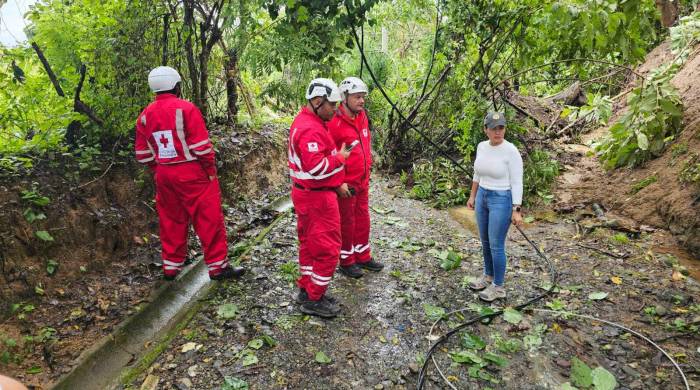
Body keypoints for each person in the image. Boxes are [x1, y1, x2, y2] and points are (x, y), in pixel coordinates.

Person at [135, 66, 245, 281]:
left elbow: (142, 154)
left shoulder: (145, 115)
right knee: (208, 218)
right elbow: (202, 147)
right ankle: (218, 267)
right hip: (192, 171)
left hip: (164, 174)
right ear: (176, 86)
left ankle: (171, 266)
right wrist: (210, 171)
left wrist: (158, 169)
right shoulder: (186, 109)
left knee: (171, 219)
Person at [288, 78, 351, 318]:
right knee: (327, 248)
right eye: (332, 105)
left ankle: (307, 287)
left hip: (308, 195)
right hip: (317, 198)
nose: (335, 109)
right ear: (317, 101)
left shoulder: (309, 121)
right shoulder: (310, 128)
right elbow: (317, 168)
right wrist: (340, 157)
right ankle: (314, 298)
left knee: (309, 245)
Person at [328, 77, 384, 278]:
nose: (361, 101)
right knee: (347, 222)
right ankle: (346, 261)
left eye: (363, 97)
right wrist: (337, 182)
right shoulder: (334, 122)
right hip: (346, 184)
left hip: (362, 181)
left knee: (363, 220)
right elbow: (330, 153)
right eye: (357, 97)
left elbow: (363, 145)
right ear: (344, 98)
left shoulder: (362, 117)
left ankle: (363, 256)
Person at [466, 112, 523, 302]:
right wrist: (473, 196)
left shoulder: (511, 151)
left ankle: (498, 286)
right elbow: (477, 174)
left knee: (497, 244)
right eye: (493, 128)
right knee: (485, 241)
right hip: (483, 194)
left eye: (501, 128)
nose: (498, 132)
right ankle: (488, 276)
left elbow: (517, 181)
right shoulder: (482, 147)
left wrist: (516, 209)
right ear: (486, 130)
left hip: (501, 197)